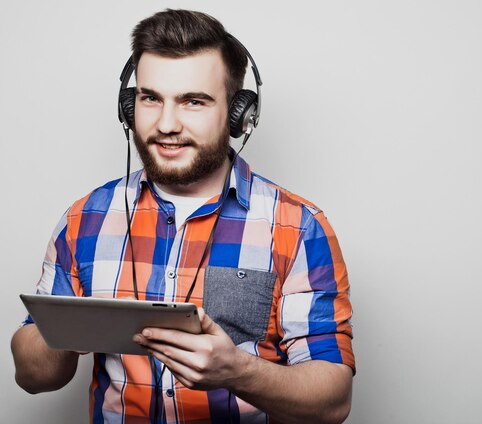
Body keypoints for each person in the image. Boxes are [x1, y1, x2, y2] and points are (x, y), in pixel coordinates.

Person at [11, 9, 355, 424]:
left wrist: (239, 371)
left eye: (193, 101)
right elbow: (34, 377)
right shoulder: (84, 219)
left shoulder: (299, 227)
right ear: (128, 106)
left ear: (238, 116)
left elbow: (333, 401)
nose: (166, 124)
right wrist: (71, 328)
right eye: (150, 98)